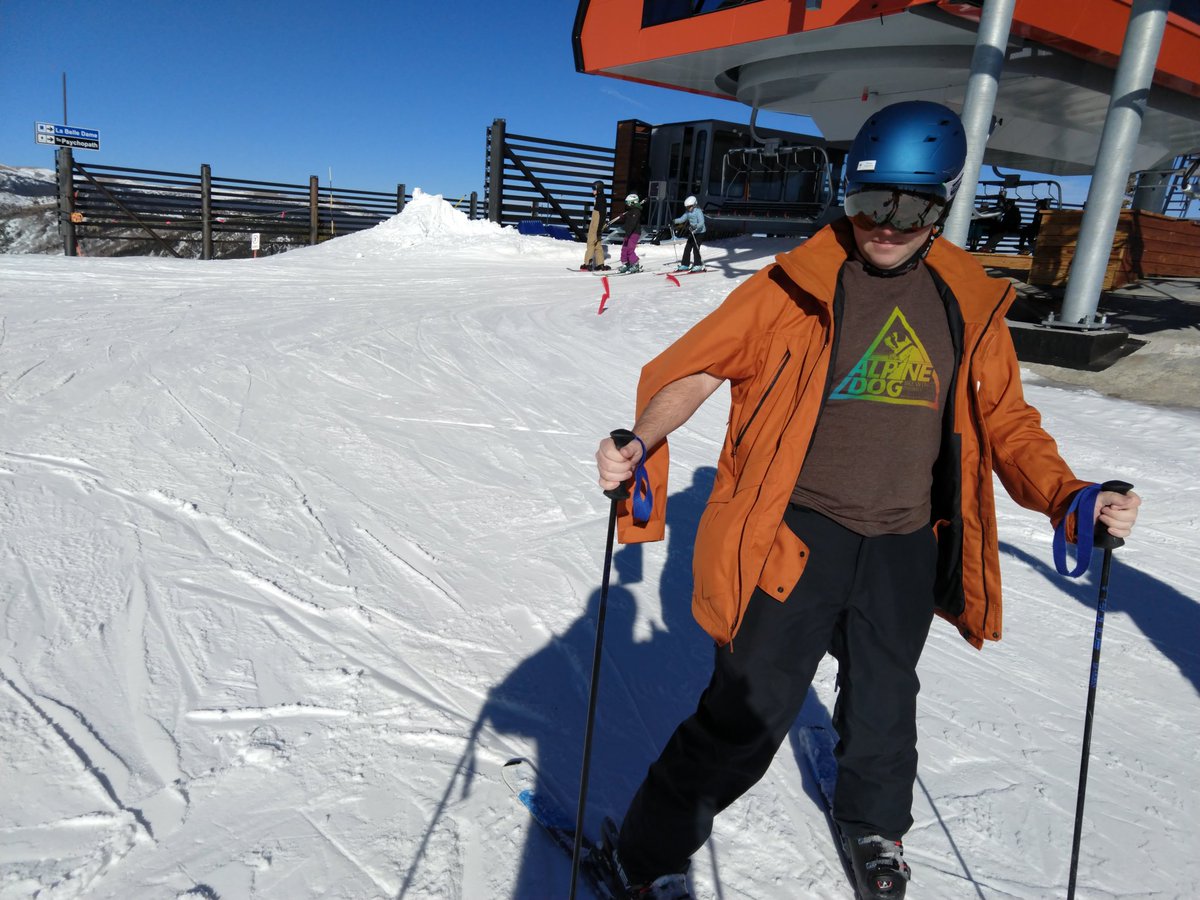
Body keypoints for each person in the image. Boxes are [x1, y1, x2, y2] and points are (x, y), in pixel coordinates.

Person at [592, 100, 1140, 900]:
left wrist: (1071, 496)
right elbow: (699, 367)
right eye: (868, 201)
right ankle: (644, 857)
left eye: (909, 208)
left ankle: (874, 826)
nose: (884, 224)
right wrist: (641, 439)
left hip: (904, 544)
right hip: (795, 537)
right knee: (745, 714)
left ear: (941, 206)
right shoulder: (792, 285)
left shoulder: (967, 300)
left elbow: (1007, 421)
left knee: (886, 706)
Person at [607, 193, 644, 273]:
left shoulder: (636, 211)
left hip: (634, 233)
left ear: (632, 202)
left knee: (630, 249)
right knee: (624, 249)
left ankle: (635, 264)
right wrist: (623, 216)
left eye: (628, 203)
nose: (627, 204)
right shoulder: (631, 211)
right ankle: (626, 264)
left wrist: (627, 234)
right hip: (629, 232)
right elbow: (628, 221)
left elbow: (632, 224)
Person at [581, 180, 611, 271]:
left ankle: (587, 263)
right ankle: (600, 264)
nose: (592, 190)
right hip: (597, 224)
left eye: (594, 188)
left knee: (590, 242)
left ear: (599, 189)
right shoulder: (600, 198)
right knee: (597, 244)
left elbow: (602, 215)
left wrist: (598, 228)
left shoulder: (600, 199)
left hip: (596, 225)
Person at [672, 196, 707, 272]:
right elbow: (682, 219)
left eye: (690, 207)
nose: (688, 208)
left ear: (694, 205)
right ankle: (685, 264)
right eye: (687, 207)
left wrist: (695, 226)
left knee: (696, 248)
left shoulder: (698, 212)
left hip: (700, 232)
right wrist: (674, 221)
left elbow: (701, 222)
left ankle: (698, 265)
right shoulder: (687, 213)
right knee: (687, 248)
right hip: (693, 232)